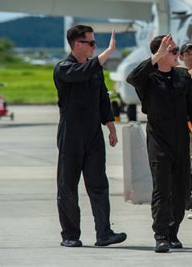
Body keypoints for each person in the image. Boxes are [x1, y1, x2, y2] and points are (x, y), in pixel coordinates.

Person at [127, 34, 192, 253]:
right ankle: (161, 234)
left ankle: (173, 232)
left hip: (181, 138)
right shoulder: (148, 77)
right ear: (159, 53)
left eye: (176, 51)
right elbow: (132, 78)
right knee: (162, 188)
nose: (177, 55)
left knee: (181, 190)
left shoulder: (182, 75)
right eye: (172, 51)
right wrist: (156, 57)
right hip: (159, 139)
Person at [53, 25, 126, 248]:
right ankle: (70, 234)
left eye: (95, 43)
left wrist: (111, 126)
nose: (95, 47)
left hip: (93, 132)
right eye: (92, 43)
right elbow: (81, 73)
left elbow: (103, 98)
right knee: (67, 185)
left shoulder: (95, 69)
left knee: (98, 184)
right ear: (77, 44)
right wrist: (107, 53)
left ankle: (104, 233)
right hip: (72, 133)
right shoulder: (64, 68)